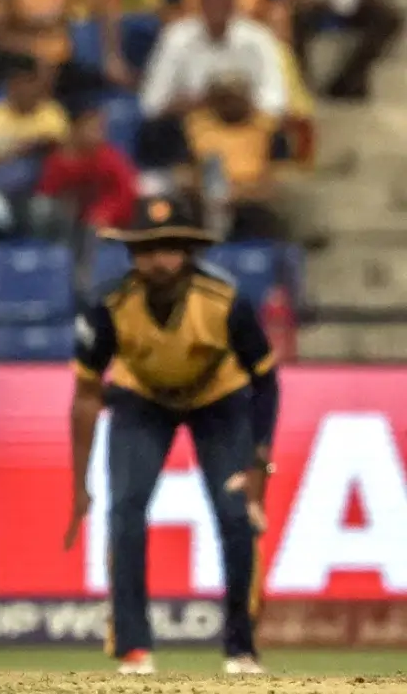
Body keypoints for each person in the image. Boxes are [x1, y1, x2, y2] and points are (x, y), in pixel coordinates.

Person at [65, 196, 278, 676]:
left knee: (237, 515)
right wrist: (79, 484)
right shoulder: (108, 305)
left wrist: (260, 458)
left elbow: (265, 380)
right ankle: (133, 647)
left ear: (188, 251)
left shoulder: (225, 301)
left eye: (168, 247)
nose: (157, 260)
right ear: (131, 253)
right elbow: (86, 393)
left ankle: (241, 648)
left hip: (219, 401)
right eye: (145, 249)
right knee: (125, 511)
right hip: (141, 400)